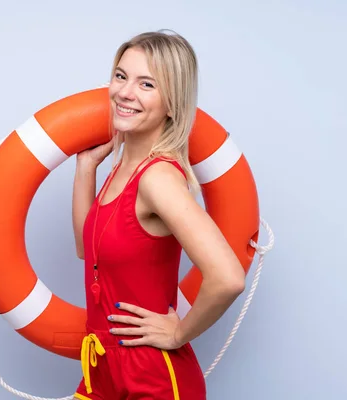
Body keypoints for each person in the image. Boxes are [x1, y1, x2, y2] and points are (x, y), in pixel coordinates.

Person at [71, 30, 246, 400]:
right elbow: (88, 251)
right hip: (101, 366)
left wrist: (178, 333)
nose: (125, 92)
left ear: (172, 103)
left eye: (146, 84)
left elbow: (228, 277)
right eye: (121, 76)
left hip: (152, 375)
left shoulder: (158, 178)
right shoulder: (121, 171)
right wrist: (86, 168)